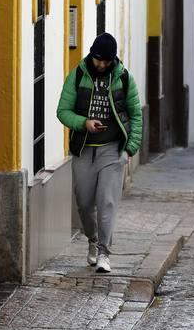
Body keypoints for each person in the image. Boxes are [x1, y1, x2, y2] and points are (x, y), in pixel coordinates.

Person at [56, 32, 142, 274]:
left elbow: (136, 114)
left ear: (113, 60)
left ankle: (105, 252)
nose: (101, 65)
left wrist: (130, 147)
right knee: (84, 203)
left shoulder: (124, 78)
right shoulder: (78, 75)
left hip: (112, 150)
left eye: (106, 61)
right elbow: (63, 111)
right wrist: (84, 123)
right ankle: (92, 240)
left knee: (107, 202)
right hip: (84, 149)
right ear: (91, 56)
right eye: (98, 60)